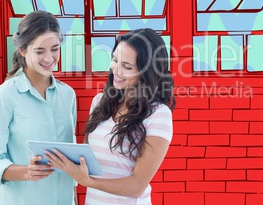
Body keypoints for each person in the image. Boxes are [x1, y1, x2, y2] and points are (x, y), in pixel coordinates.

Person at [46, 28, 176, 204]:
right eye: (115, 60)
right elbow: (87, 158)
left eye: (127, 67)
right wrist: (53, 160)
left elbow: (137, 185)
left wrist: (88, 182)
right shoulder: (100, 102)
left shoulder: (158, 114)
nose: (116, 70)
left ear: (147, 73)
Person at [0, 11, 77, 205]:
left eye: (55, 49)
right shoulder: (4, 97)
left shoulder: (67, 95)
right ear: (23, 50)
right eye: (39, 51)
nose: (49, 58)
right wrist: (27, 171)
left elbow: (69, 153)